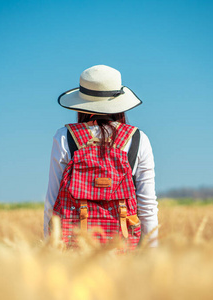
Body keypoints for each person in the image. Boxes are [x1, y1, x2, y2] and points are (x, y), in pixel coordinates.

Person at [44, 65, 158, 247]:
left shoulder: (64, 137)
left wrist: (48, 251)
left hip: (73, 251)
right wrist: (152, 255)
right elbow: (147, 206)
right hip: (123, 250)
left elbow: (52, 201)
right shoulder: (138, 139)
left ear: (80, 103)